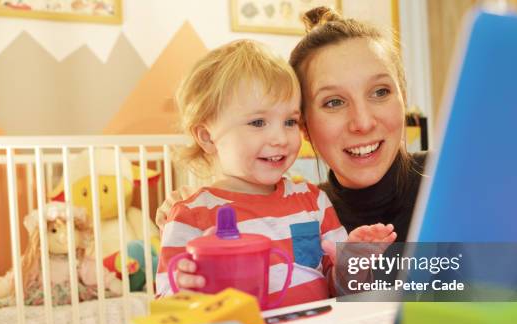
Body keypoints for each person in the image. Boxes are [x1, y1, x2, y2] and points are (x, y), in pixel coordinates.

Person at [156, 39, 396, 307]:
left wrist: (353, 264)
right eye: (258, 122)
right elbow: (167, 304)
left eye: (290, 121)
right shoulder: (191, 215)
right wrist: (190, 289)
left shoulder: (313, 201)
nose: (280, 138)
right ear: (207, 137)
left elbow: (339, 289)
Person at [290, 7, 427, 242]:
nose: (362, 123)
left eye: (380, 92)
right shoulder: (296, 221)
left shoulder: (458, 177)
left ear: (403, 98)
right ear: (303, 126)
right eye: (334, 102)